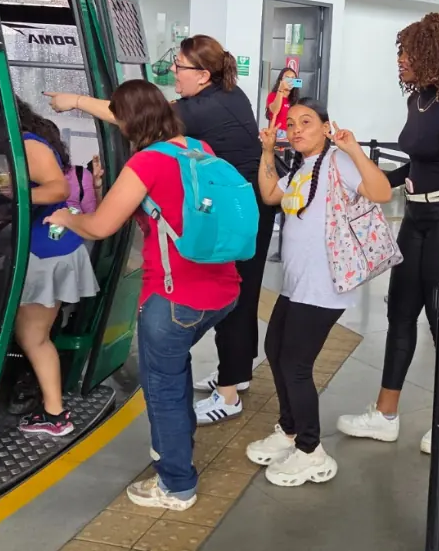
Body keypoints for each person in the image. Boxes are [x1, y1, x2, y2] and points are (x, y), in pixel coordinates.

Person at [47, 34, 270, 427]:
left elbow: (134, 117)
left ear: (203, 75)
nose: (173, 73)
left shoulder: (199, 112)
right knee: (241, 292)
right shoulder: (230, 95)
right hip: (239, 207)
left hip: (223, 213)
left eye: (179, 67)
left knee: (230, 301)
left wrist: (75, 101)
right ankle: (236, 375)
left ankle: (230, 392)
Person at [44, 80, 240, 512]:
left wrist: (67, 216)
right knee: (176, 372)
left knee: (164, 389)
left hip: (173, 299)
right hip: (223, 291)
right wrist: (76, 102)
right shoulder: (197, 147)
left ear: (130, 123)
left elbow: (99, 226)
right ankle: (176, 448)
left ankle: (176, 484)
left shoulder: (146, 164)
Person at [336, 12, 439, 453]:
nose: (401, 60)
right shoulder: (417, 102)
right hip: (415, 222)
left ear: (433, 56)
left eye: (408, 53)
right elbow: (417, 165)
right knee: (399, 314)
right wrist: (374, 182)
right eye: (401, 52)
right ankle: (385, 415)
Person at [247, 99, 392, 486]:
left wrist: (354, 150)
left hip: (325, 286)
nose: (296, 129)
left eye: (306, 122)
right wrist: (266, 151)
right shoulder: (301, 167)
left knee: (295, 366)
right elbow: (269, 196)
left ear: (326, 127)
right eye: (291, 123)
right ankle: (290, 430)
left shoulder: (337, 162)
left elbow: (382, 193)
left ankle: (311, 451)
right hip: (297, 285)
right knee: (275, 352)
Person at [14, 99, 101, 437]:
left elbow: (58, 188)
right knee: (35, 334)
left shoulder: (26, 143)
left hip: (45, 252)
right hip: (56, 246)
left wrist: (8, 193)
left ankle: (55, 414)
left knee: (34, 337)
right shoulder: (36, 138)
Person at [266, 67, 300, 136]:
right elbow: (275, 111)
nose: (290, 81)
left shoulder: (295, 98)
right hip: (278, 132)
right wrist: (280, 90)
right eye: (287, 78)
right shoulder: (272, 95)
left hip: (293, 132)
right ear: (281, 80)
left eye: (293, 78)